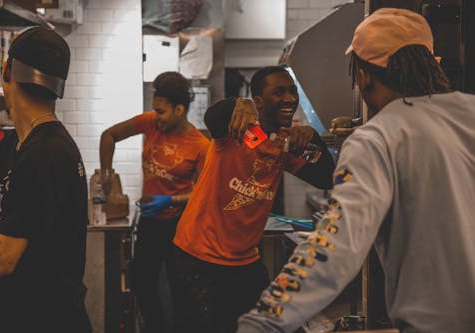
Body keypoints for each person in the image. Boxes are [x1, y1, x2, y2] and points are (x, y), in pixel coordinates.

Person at [237, 8, 475, 333]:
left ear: (362, 75)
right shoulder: (470, 113)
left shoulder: (377, 138)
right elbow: (221, 123)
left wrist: (263, 321)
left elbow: (333, 246)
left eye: (290, 91)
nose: (289, 99)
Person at [171, 65, 335, 333]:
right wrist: (239, 103)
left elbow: (327, 178)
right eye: (279, 92)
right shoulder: (238, 131)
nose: (289, 98)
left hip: (244, 260)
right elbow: (214, 118)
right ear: (258, 101)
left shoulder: (284, 143)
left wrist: (312, 138)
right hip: (198, 256)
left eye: (292, 91)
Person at [0, 27, 91, 332]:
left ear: (6, 71)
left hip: (47, 321)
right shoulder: (15, 145)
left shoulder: (45, 153)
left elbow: (3, 261)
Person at [99, 71, 209, 333]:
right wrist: (106, 174)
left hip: (179, 226)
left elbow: (205, 194)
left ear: (179, 109)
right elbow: (109, 136)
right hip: (150, 220)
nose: (155, 116)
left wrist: (171, 200)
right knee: (143, 283)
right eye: (154, 109)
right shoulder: (151, 123)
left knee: (179, 288)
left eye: (161, 111)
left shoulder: (200, 146)